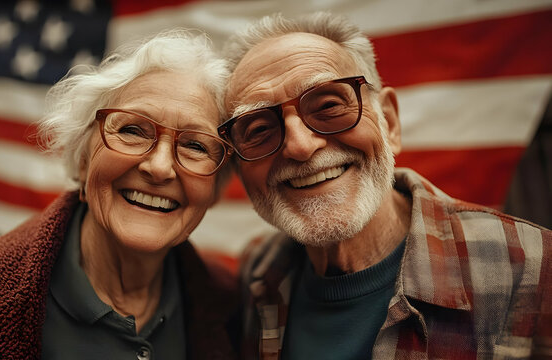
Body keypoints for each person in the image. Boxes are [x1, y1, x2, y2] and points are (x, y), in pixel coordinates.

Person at [217, 12, 551, 359]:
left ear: (389, 122)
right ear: (239, 167)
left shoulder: (534, 268)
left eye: (329, 105)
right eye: (258, 129)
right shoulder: (258, 273)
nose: (300, 146)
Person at [0, 30, 239, 360]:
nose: (160, 167)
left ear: (215, 187)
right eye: (132, 130)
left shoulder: (230, 304)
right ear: (82, 159)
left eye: (195, 145)